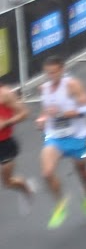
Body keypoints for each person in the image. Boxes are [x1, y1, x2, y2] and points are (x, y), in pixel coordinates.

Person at [36, 54, 86, 228]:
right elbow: (46, 111)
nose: (51, 76)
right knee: (47, 173)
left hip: (77, 137)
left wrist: (67, 113)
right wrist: (42, 119)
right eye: (48, 73)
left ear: (62, 70)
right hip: (55, 136)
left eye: (54, 72)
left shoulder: (72, 85)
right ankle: (60, 204)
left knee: (83, 171)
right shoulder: (44, 88)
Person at [0, 82, 37, 212]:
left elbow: (24, 113)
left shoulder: (4, 93)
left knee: (7, 182)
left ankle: (26, 188)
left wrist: (6, 123)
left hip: (4, 145)